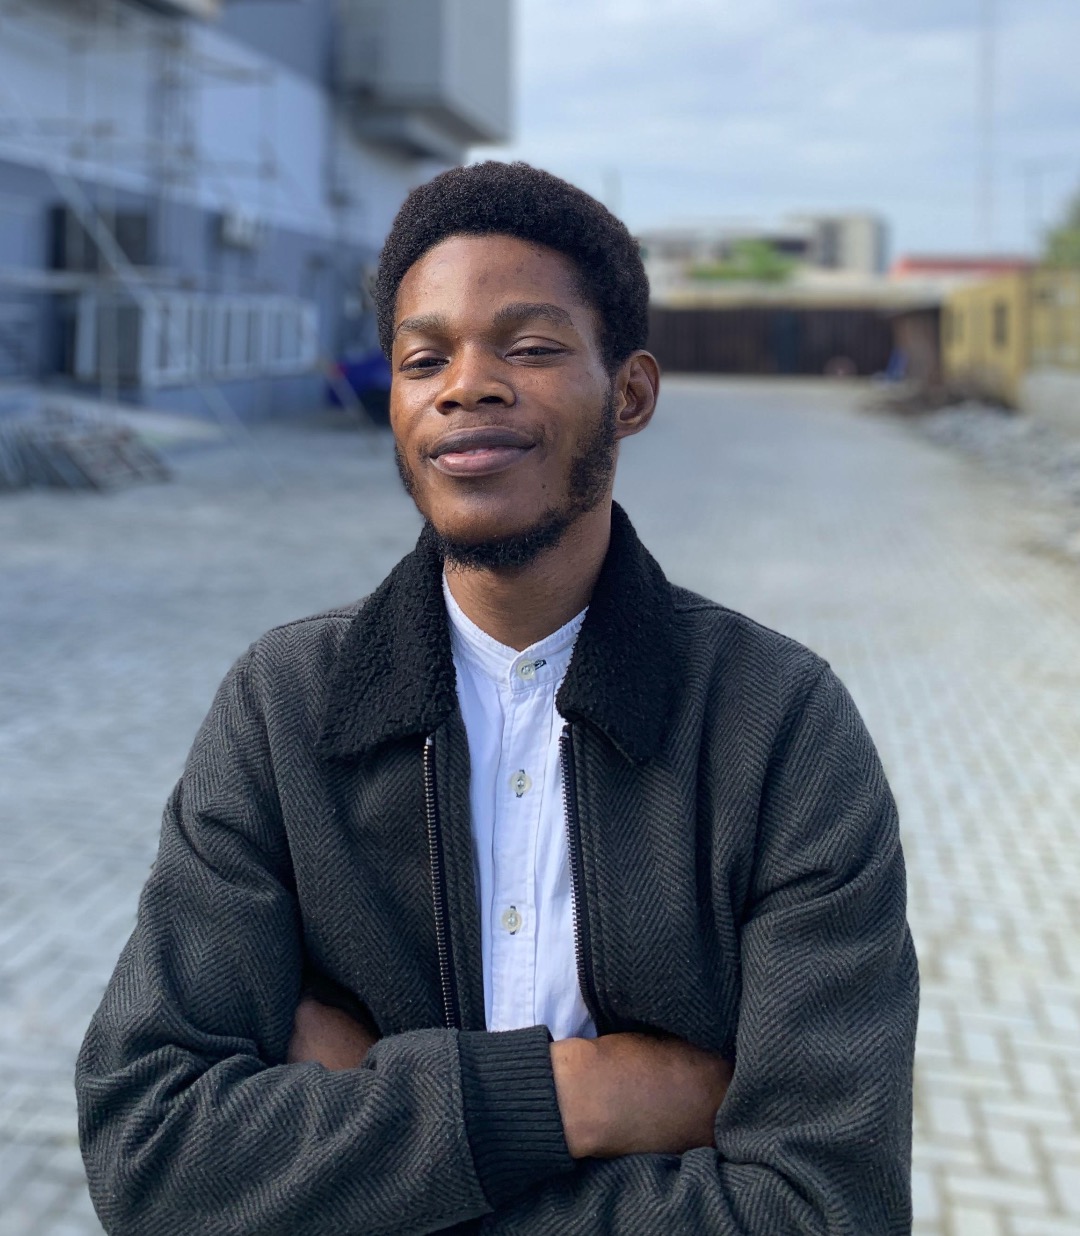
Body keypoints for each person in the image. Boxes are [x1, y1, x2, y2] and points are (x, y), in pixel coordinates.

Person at [77, 161, 918, 1235]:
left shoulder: (778, 728)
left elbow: (826, 1206)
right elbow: (149, 1149)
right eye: (424, 358)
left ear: (630, 394)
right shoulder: (283, 710)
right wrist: (571, 1101)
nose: (466, 386)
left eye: (530, 347)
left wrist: (358, 1132)